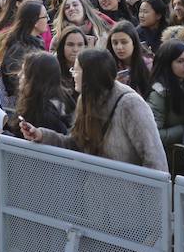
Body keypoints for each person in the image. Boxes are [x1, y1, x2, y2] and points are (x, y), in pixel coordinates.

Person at [20, 47, 168, 172]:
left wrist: (149, 202)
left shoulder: (130, 104)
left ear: (90, 75)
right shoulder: (84, 100)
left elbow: (154, 159)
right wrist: (41, 135)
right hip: (94, 195)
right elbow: (76, 144)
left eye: (76, 70)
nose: (73, 75)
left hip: (129, 197)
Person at [147, 39, 184, 152]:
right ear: (167, 64)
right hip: (168, 156)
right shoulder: (159, 94)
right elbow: (153, 135)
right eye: (180, 61)